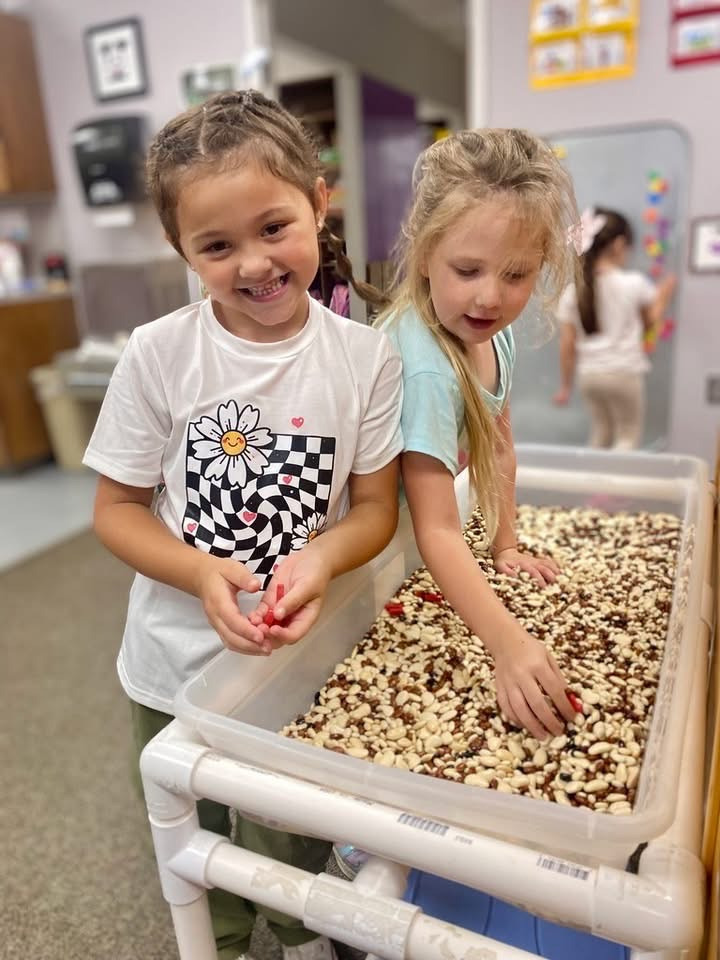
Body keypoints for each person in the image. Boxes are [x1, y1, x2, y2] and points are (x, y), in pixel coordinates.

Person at [83, 89, 403, 960]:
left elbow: (375, 508)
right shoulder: (159, 353)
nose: (254, 264)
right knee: (192, 827)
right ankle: (218, 939)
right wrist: (197, 571)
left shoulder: (365, 358)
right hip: (174, 660)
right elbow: (114, 511)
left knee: (288, 826)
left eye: (274, 227)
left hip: (300, 655)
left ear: (318, 203)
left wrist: (323, 557)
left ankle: (302, 931)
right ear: (179, 248)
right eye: (216, 246)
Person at [332, 129, 582, 876]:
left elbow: (500, 444)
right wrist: (508, 647)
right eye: (467, 269)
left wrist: (506, 543)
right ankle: (355, 840)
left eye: (517, 274)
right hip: (368, 561)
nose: (490, 296)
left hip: (415, 553)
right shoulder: (425, 362)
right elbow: (438, 532)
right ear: (423, 251)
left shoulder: (490, 337)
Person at [552, 207, 676, 449]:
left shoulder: (572, 292)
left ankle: (593, 486)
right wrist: (664, 294)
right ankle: (613, 488)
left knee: (601, 432)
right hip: (624, 372)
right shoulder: (633, 283)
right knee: (627, 434)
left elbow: (567, 345)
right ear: (619, 245)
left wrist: (565, 386)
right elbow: (650, 320)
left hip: (589, 376)